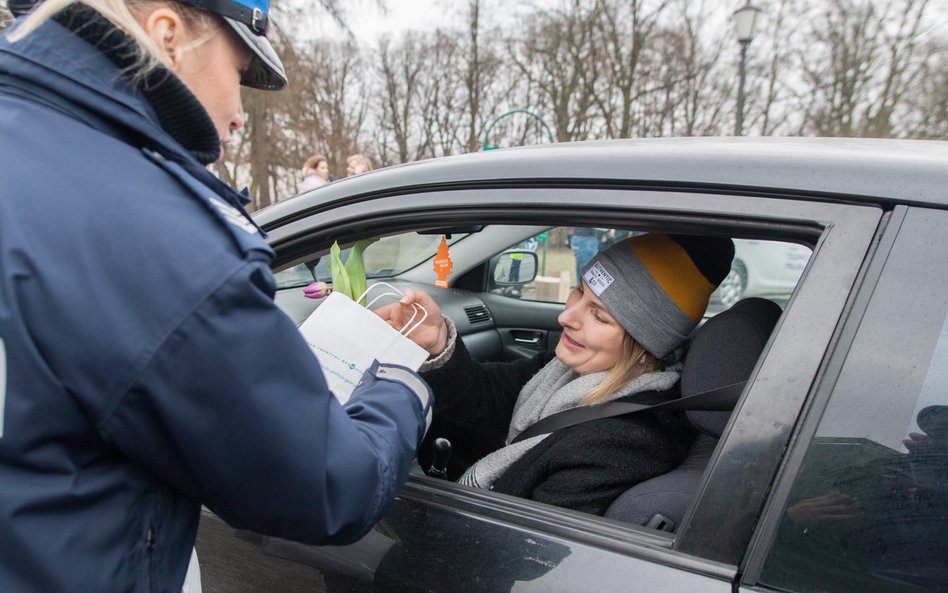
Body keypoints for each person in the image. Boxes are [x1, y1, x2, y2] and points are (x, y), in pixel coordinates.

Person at [0, 1, 432, 592]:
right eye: (236, 72)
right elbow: (323, 484)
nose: (236, 115)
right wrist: (403, 387)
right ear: (167, 36)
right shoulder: (153, 227)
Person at [377, 233, 734, 515]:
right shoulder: (567, 370)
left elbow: (522, 552)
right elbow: (489, 397)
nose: (567, 316)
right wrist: (439, 343)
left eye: (599, 316)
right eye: (580, 291)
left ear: (645, 348)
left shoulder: (623, 445)